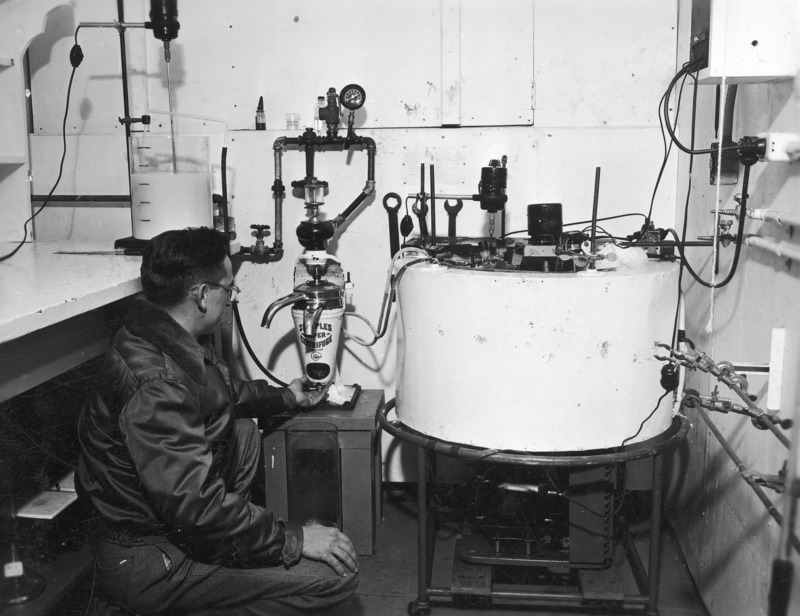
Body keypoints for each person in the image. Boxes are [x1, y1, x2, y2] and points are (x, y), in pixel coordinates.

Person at [76, 227, 358, 615]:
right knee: (335, 580)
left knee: (241, 431)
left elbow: (219, 394)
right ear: (203, 295)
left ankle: (225, 554)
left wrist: (287, 396)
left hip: (162, 527)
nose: (231, 299)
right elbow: (195, 506)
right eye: (229, 289)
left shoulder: (157, 332)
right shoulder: (156, 385)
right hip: (150, 558)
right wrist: (295, 537)